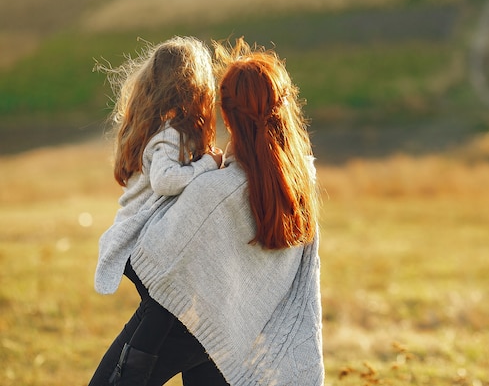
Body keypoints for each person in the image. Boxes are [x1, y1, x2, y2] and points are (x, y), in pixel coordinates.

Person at [107, 37, 324, 385]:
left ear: (226, 113)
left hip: (175, 324)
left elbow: (152, 259)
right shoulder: (298, 187)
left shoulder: (215, 191)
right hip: (233, 339)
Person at [90, 36, 222, 386]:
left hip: (144, 243)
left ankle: (133, 373)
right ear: (195, 88)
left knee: (167, 314)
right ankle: (129, 376)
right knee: (161, 310)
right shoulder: (171, 135)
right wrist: (207, 165)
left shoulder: (164, 130)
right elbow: (165, 181)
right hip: (138, 244)